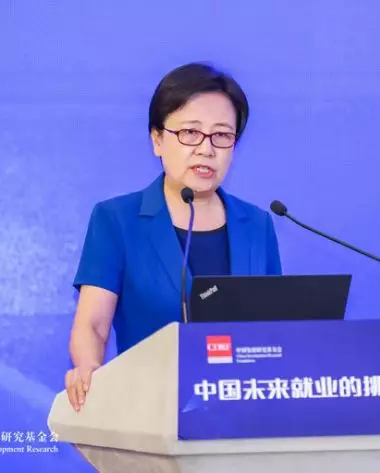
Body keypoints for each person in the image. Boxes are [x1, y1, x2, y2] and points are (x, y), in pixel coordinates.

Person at [64, 62, 283, 411]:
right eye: (190, 133)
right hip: (148, 411)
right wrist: (89, 366)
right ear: (157, 139)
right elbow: (93, 323)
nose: (206, 149)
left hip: (242, 414)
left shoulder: (257, 225)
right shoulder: (117, 220)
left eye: (221, 135)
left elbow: (279, 330)